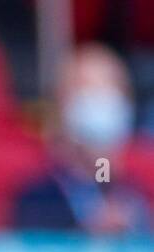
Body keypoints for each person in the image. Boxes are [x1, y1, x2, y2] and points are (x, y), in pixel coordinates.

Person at [14, 44, 149, 234]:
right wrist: (86, 232)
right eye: (87, 89)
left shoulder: (135, 195)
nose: (101, 102)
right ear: (61, 105)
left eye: (111, 89)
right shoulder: (37, 199)